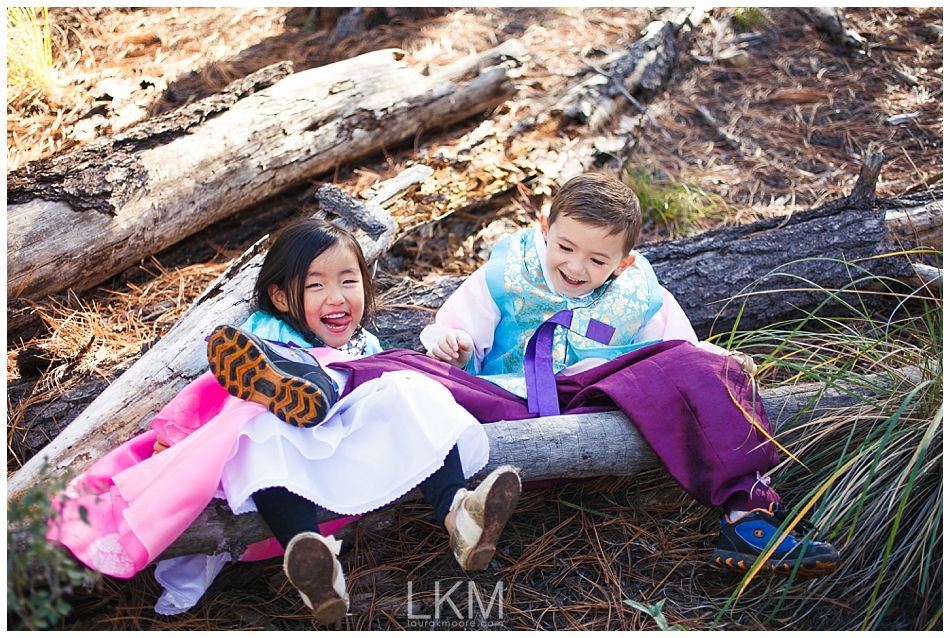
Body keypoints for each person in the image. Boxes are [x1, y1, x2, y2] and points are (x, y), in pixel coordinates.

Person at [49, 219, 521, 624]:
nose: (336, 298)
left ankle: (461, 515)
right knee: (258, 424)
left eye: (348, 281)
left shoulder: (366, 347)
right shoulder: (261, 336)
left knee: (410, 390)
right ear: (278, 296)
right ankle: (313, 561)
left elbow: (392, 412)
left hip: (348, 454)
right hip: (295, 457)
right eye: (315, 285)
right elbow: (210, 399)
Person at [420, 171, 840, 578]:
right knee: (413, 382)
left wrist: (717, 363)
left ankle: (748, 514)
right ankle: (463, 510)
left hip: (599, 394)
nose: (576, 266)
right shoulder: (507, 274)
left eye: (598, 259)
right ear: (545, 228)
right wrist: (452, 345)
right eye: (565, 246)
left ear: (623, 263)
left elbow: (679, 351)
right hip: (510, 395)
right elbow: (457, 331)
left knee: (701, 370)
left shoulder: (636, 294)